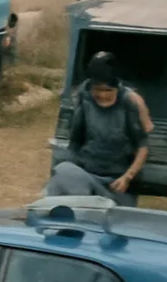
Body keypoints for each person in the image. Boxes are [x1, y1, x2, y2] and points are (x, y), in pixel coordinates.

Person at [45, 51, 153, 206]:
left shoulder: (130, 102)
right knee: (64, 172)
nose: (102, 95)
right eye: (98, 89)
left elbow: (143, 146)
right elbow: (76, 140)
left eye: (108, 90)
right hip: (87, 174)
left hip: (117, 182)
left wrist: (127, 177)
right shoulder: (84, 96)